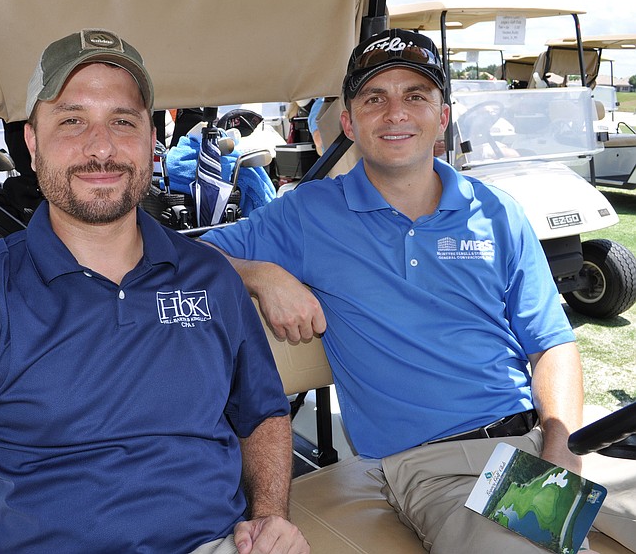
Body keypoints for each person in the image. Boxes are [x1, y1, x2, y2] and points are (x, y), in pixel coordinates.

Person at [0, 28, 308, 554]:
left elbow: (262, 414)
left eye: (122, 122)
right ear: (33, 144)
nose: (100, 148)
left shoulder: (211, 279)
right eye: (72, 120)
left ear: (152, 141)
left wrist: (269, 520)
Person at [201, 28, 635, 553]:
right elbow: (181, 254)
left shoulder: (496, 211)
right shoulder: (307, 213)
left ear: (443, 116)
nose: (395, 113)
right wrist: (262, 275)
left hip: (539, 445)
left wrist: (560, 453)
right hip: (435, 468)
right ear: (349, 121)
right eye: (374, 98)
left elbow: (551, 342)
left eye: (415, 96)